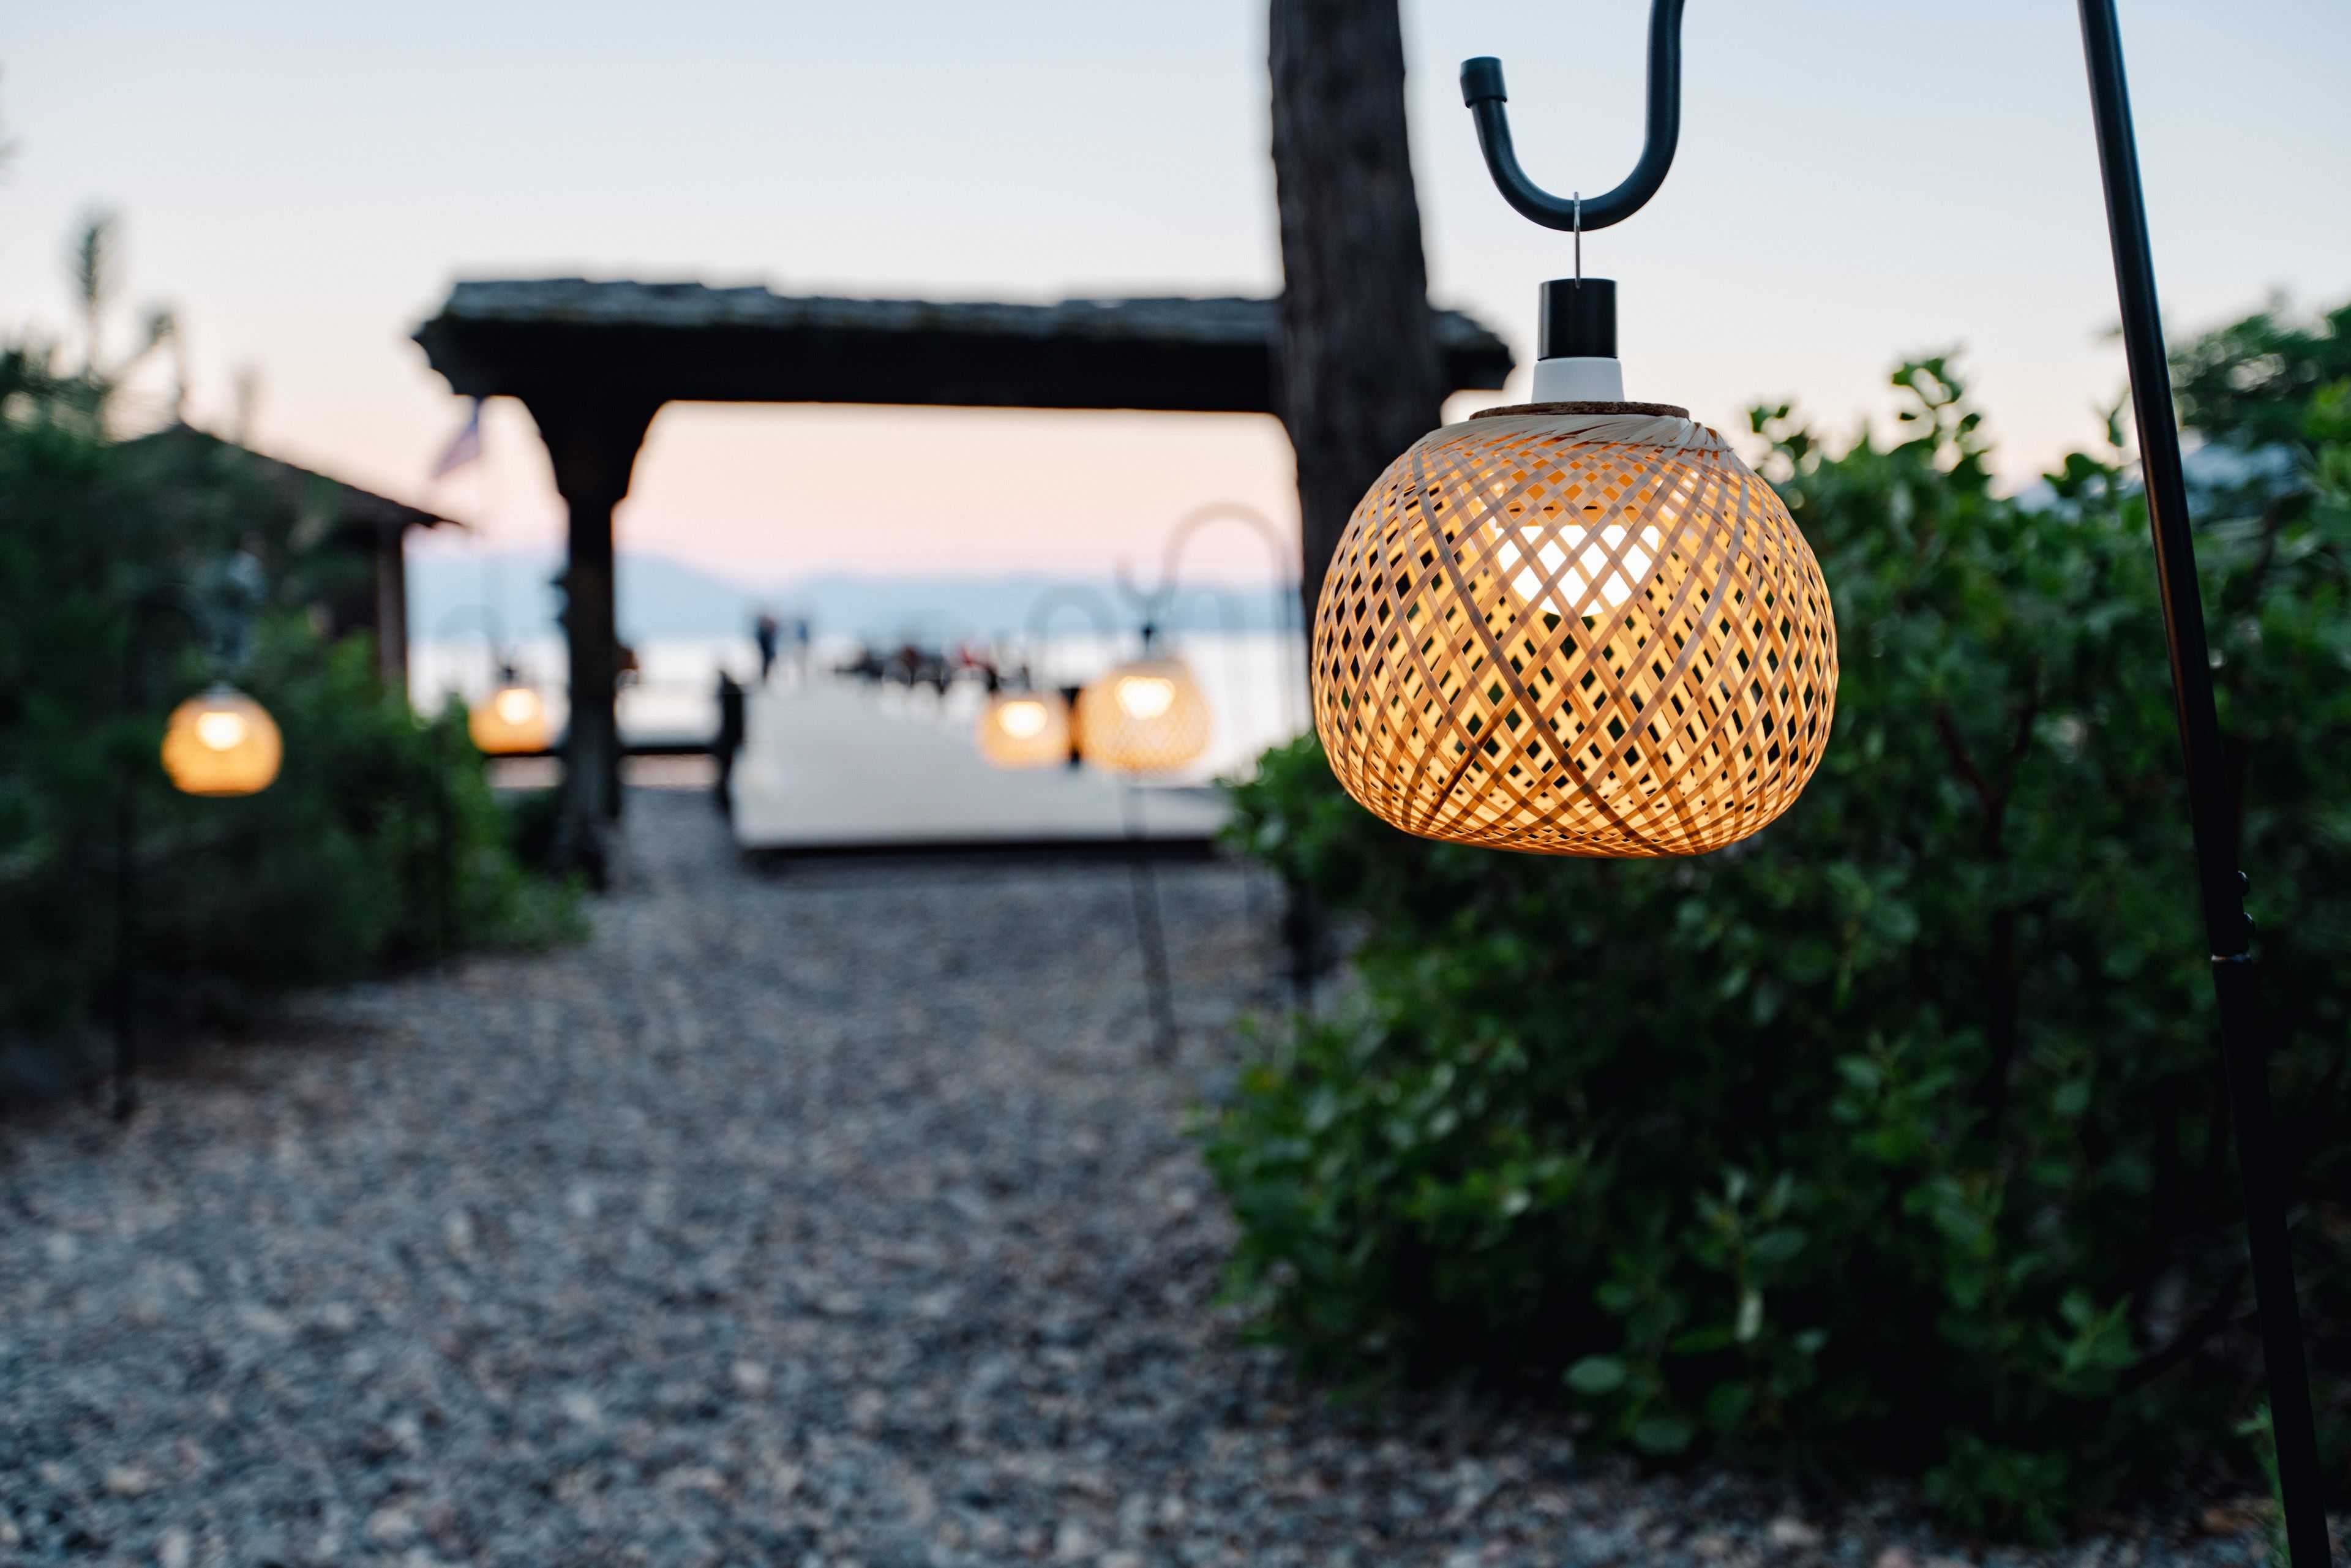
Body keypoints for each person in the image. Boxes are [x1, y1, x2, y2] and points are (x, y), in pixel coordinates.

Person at [754, 609, 780, 685]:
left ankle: (771, 681)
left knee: (770, 666)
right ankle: (766, 681)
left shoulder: (768, 633)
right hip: (767, 653)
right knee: (766, 667)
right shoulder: (764, 633)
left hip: (769, 653)